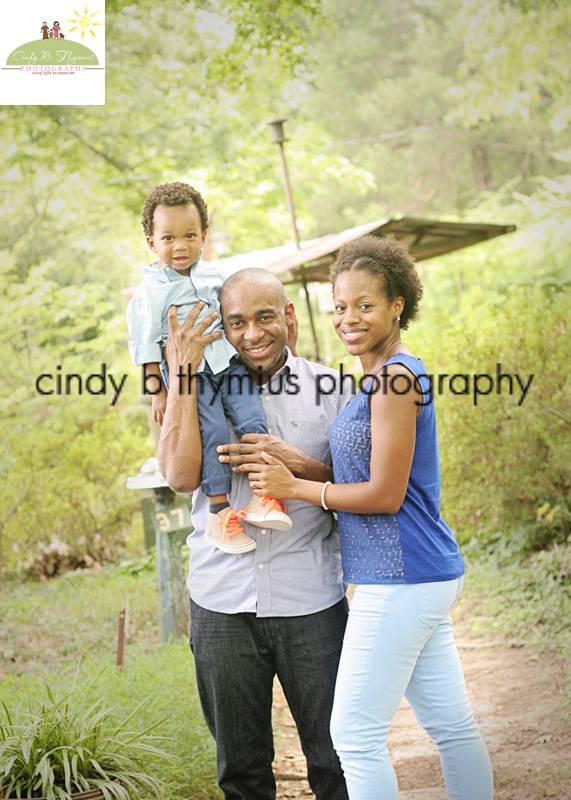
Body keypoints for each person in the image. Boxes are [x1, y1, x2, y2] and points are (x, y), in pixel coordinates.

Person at [244, 236, 494, 800]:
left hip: (401, 575)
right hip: (418, 575)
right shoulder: (378, 379)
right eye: (339, 306)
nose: (348, 318)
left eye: (365, 305)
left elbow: (384, 494)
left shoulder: (396, 377)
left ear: (397, 305)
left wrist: (298, 488)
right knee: (452, 729)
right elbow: (360, 471)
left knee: (353, 735)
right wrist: (299, 461)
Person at [157, 268, 352, 800]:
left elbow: (366, 491)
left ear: (288, 315)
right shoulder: (194, 389)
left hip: (310, 598)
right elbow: (177, 476)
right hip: (221, 600)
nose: (252, 334)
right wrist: (182, 372)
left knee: (336, 758)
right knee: (241, 771)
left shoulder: (334, 389)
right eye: (236, 322)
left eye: (265, 317)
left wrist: (300, 466)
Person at [126, 182, 291, 554]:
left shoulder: (216, 277)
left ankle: (266, 497)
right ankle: (220, 511)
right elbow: (145, 345)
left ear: (203, 237)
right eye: (168, 238)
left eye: (188, 236)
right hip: (191, 375)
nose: (180, 246)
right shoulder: (149, 294)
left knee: (253, 417)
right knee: (213, 430)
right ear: (152, 242)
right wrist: (158, 389)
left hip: (227, 365)